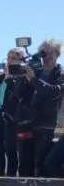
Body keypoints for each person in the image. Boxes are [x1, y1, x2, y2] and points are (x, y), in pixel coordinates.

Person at [12, 39, 64, 177]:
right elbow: (18, 93)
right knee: (24, 162)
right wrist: (22, 76)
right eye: (43, 53)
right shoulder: (35, 71)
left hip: (45, 124)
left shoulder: (60, 74)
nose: (46, 57)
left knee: (41, 162)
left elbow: (54, 92)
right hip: (26, 122)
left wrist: (33, 79)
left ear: (57, 54)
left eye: (49, 53)